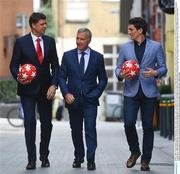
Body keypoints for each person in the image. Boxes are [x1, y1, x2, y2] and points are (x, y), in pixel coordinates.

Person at [115, 17, 167, 171]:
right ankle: (135, 151)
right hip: (130, 91)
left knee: (148, 127)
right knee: (129, 124)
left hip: (149, 92)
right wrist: (121, 75)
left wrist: (155, 72)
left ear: (140, 30)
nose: (129, 32)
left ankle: (146, 160)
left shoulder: (156, 47)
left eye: (131, 29)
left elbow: (164, 67)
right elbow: (118, 68)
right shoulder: (125, 48)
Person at [9, 12, 59, 170]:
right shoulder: (21, 42)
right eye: (42, 24)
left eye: (45, 23)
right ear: (33, 25)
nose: (45, 26)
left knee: (47, 124)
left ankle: (44, 156)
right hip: (27, 90)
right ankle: (31, 159)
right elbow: (13, 64)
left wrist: (54, 85)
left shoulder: (50, 42)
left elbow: (56, 66)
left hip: (46, 90)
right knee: (29, 123)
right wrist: (19, 77)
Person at [58, 28, 107, 170]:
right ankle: (79, 156)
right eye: (77, 38)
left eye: (82, 39)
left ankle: (91, 160)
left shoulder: (97, 57)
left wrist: (96, 93)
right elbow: (61, 77)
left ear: (89, 40)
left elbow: (103, 80)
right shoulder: (68, 56)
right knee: (76, 130)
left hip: (90, 100)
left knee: (90, 129)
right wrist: (66, 93)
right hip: (73, 100)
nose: (78, 41)